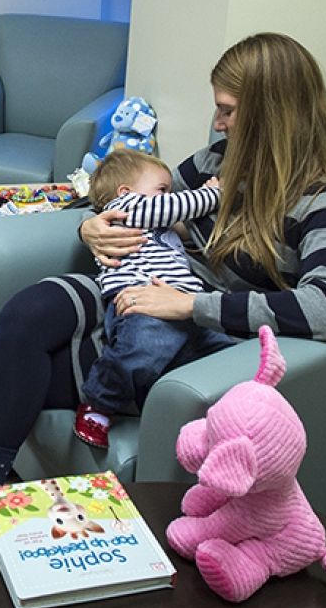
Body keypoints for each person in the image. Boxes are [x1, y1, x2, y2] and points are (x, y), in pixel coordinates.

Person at [0, 32, 326, 597]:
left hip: (181, 332)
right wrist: (90, 225)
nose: (217, 123)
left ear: (271, 115)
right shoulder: (220, 162)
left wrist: (190, 304)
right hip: (136, 290)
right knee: (21, 319)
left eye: (228, 111)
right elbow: (134, 196)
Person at [74, 148, 228, 449]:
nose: (167, 195)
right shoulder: (127, 208)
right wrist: (214, 194)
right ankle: (98, 402)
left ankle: (150, 407)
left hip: (185, 307)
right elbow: (181, 206)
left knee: (222, 350)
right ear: (125, 191)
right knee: (143, 350)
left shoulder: (152, 220)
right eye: (162, 190)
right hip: (144, 305)